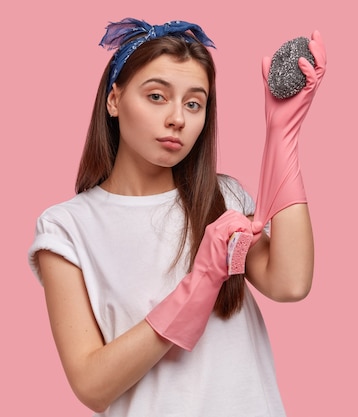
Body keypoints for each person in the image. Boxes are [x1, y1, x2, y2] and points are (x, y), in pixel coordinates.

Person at [28, 17, 326, 416]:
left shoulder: (223, 197)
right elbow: (92, 386)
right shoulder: (67, 228)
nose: (177, 119)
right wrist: (199, 284)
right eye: (156, 96)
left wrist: (283, 135)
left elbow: (289, 282)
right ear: (113, 100)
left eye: (194, 103)